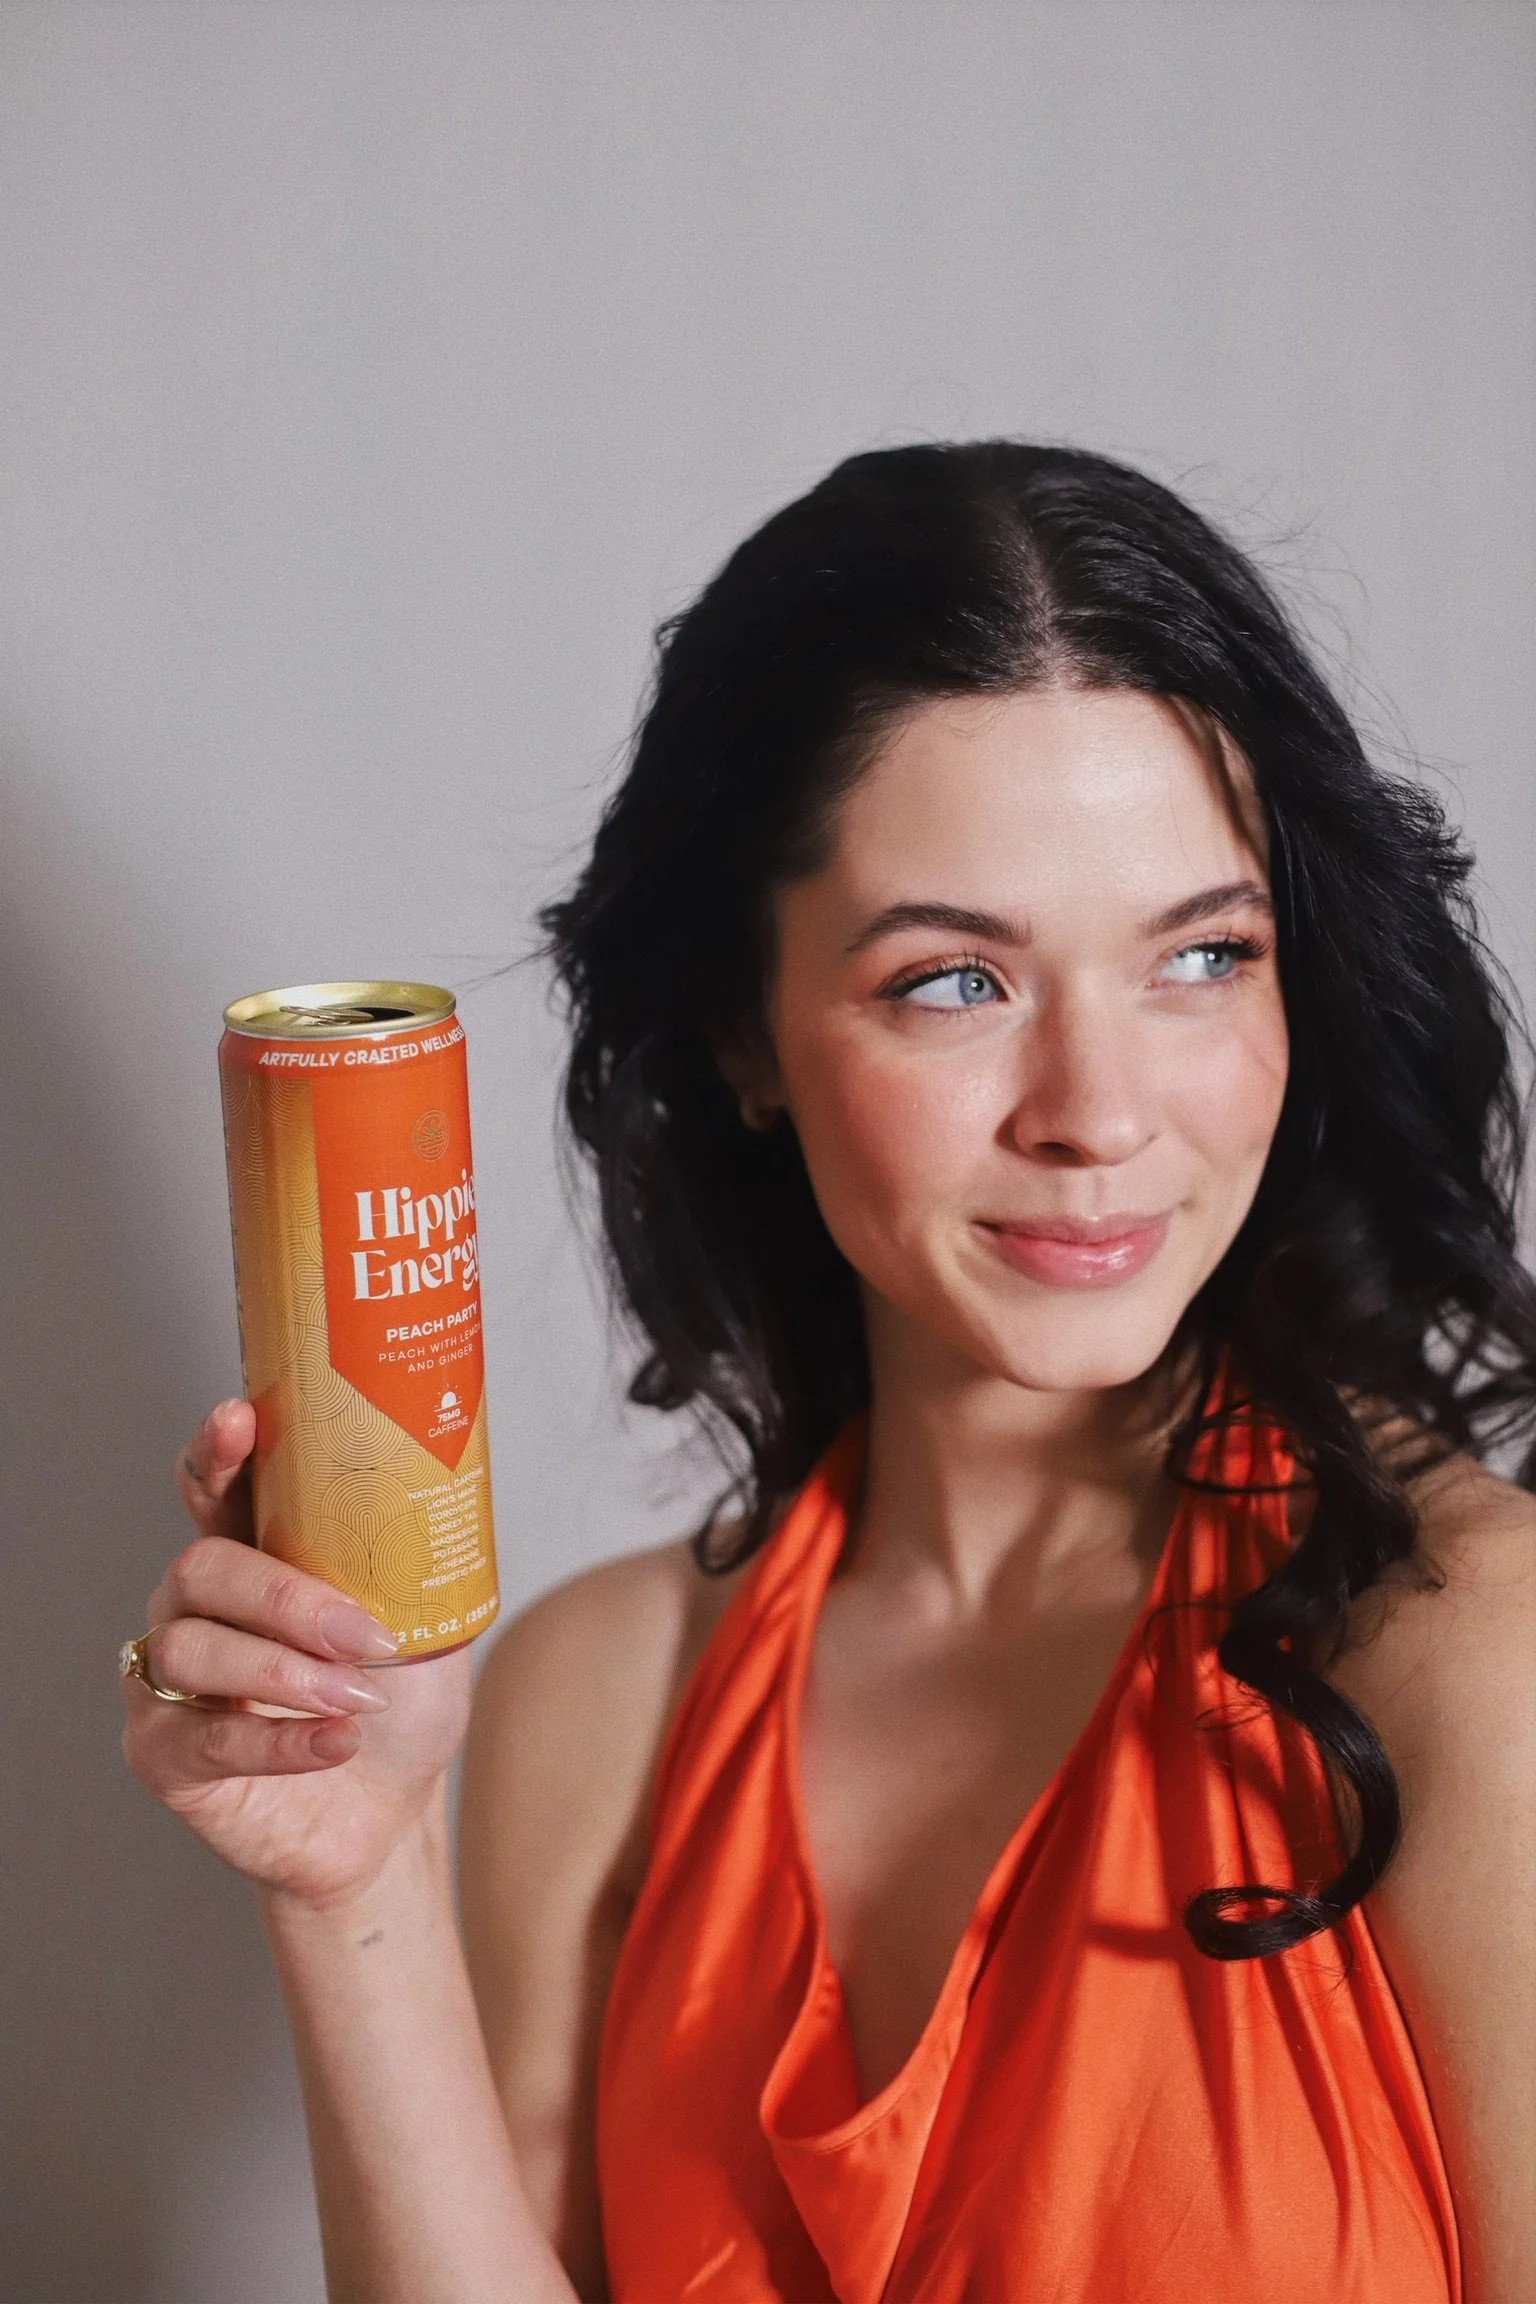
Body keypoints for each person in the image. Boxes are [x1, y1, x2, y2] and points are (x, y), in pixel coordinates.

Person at [122, 443, 1536, 2303]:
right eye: (956, 981)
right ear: (746, 1033)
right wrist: (349, 1878)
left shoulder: (1472, 1654)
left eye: (1203, 955)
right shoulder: (601, 1701)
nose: (1098, 1113)